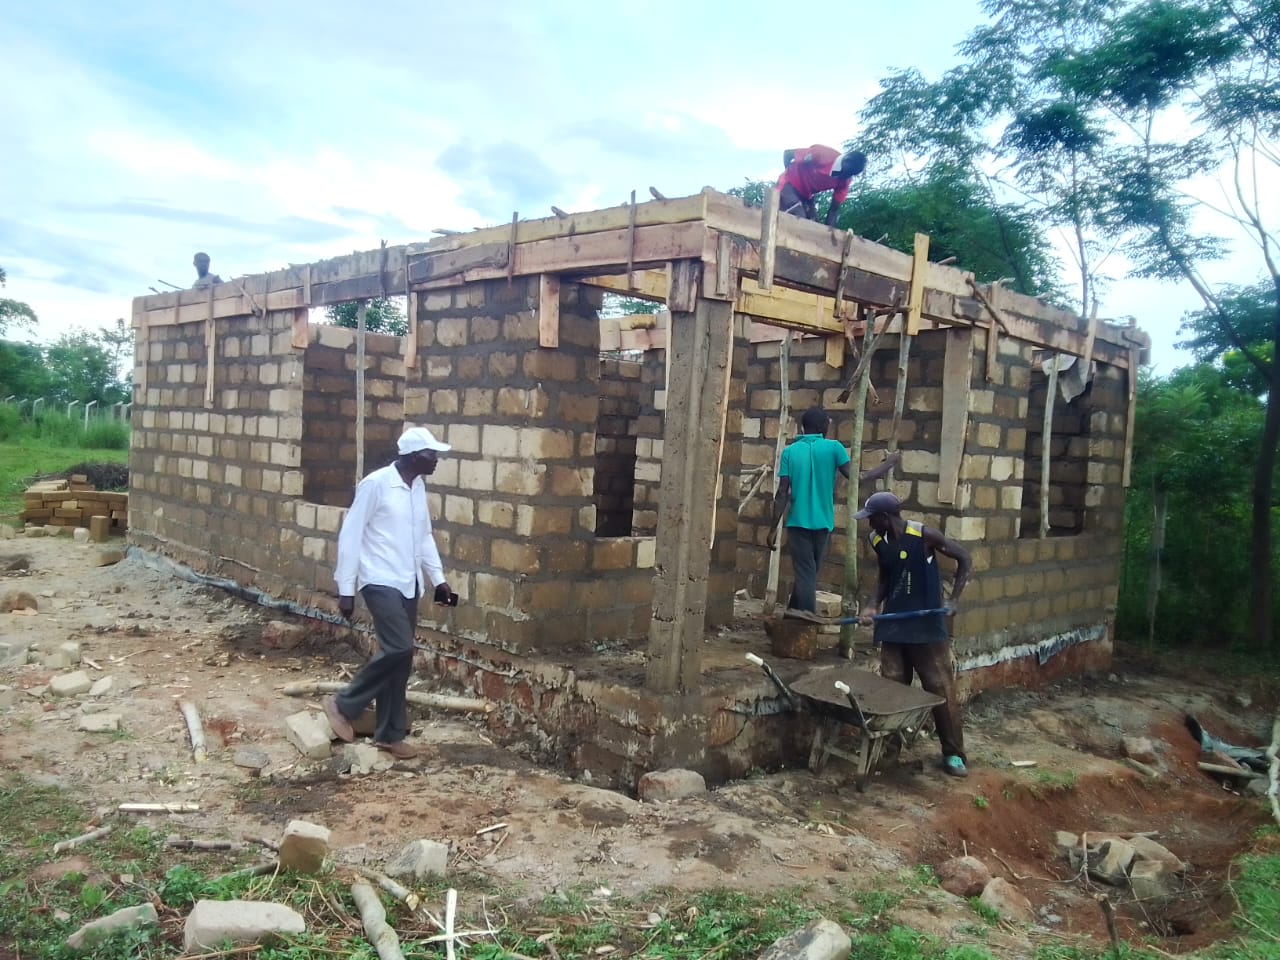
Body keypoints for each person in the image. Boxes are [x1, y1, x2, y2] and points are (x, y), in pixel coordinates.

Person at [324, 426, 454, 760]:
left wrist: (439, 580)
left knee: (400, 658)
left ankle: (389, 735)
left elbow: (424, 536)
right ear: (412, 456)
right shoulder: (376, 484)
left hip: (409, 582)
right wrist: (346, 588)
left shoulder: (417, 487)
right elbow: (351, 534)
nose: (436, 460)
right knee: (399, 647)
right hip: (379, 579)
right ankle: (343, 704)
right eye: (430, 454)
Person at [854, 491, 973, 778]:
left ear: (885, 517)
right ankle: (890, 750)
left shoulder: (923, 535)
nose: (869, 524)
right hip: (894, 624)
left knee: (940, 688)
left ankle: (953, 753)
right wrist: (872, 605)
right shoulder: (877, 540)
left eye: (872, 518)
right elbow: (885, 578)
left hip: (926, 626)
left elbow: (965, 558)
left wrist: (954, 600)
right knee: (892, 687)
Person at [766, 406, 898, 613]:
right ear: (822, 427)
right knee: (808, 574)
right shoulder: (834, 448)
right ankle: (806, 620)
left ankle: (795, 617)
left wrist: (773, 528)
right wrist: (888, 464)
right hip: (823, 523)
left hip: (797, 524)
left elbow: (782, 493)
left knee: (806, 574)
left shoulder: (790, 452)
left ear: (803, 427)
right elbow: (858, 478)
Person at [777, 145, 867, 226]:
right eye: (846, 172)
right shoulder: (821, 154)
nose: (845, 176)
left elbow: (834, 210)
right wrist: (789, 173)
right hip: (789, 185)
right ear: (846, 159)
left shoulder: (845, 181)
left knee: (815, 226)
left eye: (850, 175)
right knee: (800, 220)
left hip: (806, 195)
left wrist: (829, 233)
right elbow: (788, 154)